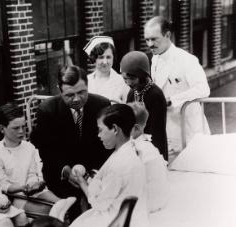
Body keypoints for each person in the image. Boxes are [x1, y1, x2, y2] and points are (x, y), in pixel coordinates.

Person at [68, 104, 149, 227]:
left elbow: (99, 204)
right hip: (130, 218)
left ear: (115, 129)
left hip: (118, 223)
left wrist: (82, 182)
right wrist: (92, 179)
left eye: (100, 130)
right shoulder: (128, 150)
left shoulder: (120, 164)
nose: (98, 135)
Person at [31, 65, 111, 199]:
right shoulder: (47, 110)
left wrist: (94, 173)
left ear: (87, 85)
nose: (77, 99)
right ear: (59, 90)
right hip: (60, 174)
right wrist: (67, 172)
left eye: (81, 92)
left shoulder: (102, 105)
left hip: (96, 171)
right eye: (69, 95)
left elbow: (107, 146)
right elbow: (47, 152)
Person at [0, 102, 76, 219]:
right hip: (15, 196)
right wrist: (22, 188)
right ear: (2, 128)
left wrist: (35, 183)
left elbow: (33, 172)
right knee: (49, 211)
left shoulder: (29, 147)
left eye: (23, 126)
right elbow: (2, 184)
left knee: (63, 205)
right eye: (16, 128)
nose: (21, 131)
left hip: (35, 191)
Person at [144, 16, 210, 158]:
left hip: (189, 130)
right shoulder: (154, 59)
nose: (150, 44)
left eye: (154, 39)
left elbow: (203, 89)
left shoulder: (186, 60)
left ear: (167, 35)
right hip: (167, 131)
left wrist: (171, 100)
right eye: (147, 39)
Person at [120, 50, 168, 161]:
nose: (128, 83)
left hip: (153, 149)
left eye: (131, 78)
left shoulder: (155, 95)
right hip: (135, 146)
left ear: (142, 75)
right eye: (125, 79)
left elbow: (157, 131)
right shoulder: (132, 92)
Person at [128, 102, 169, 213]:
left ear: (136, 128)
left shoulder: (137, 150)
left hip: (147, 206)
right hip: (158, 201)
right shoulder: (148, 146)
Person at [83, 36, 130, 103]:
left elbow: (129, 108)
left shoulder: (122, 81)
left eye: (108, 57)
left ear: (113, 57)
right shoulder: (87, 81)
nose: (105, 62)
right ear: (94, 59)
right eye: (101, 57)